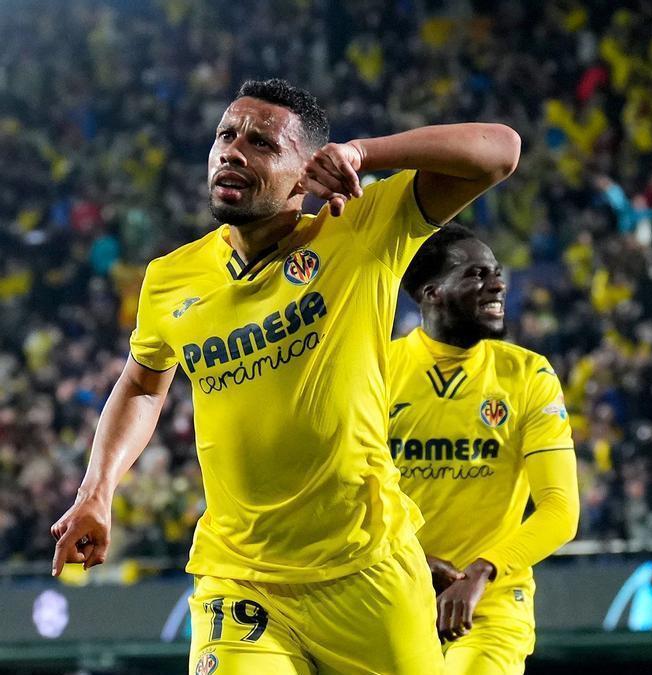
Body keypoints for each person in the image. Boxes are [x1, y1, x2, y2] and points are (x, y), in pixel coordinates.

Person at [49, 78, 521, 674]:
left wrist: (364, 153)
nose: (232, 151)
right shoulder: (172, 277)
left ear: (307, 169)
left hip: (368, 569)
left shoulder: (361, 231)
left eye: (262, 143)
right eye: (225, 135)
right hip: (242, 579)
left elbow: (500, 150)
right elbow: (144, 385)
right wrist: (98, 489)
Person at [388, 224, 579, 674]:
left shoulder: (528, 375)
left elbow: (560, 510)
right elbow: (345, 494)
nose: (497, 284)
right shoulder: (378, 368)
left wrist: (482, 571)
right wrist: (412, 560)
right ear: (431, 292)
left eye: (496, 272)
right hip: (389, 589)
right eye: (476, 274)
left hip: (490, 602)